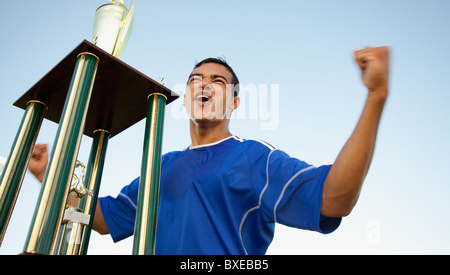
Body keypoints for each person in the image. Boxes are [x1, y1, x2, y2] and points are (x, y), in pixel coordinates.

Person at [29, 46, 390, 254]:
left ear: (233, 103)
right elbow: (103, 220)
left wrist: (375, 97)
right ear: (185, 98)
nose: (205, 85)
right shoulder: (161, 167)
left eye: (218, 81)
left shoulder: (251, 158)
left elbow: (334, 200)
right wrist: (48, 174)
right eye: (195, 80)